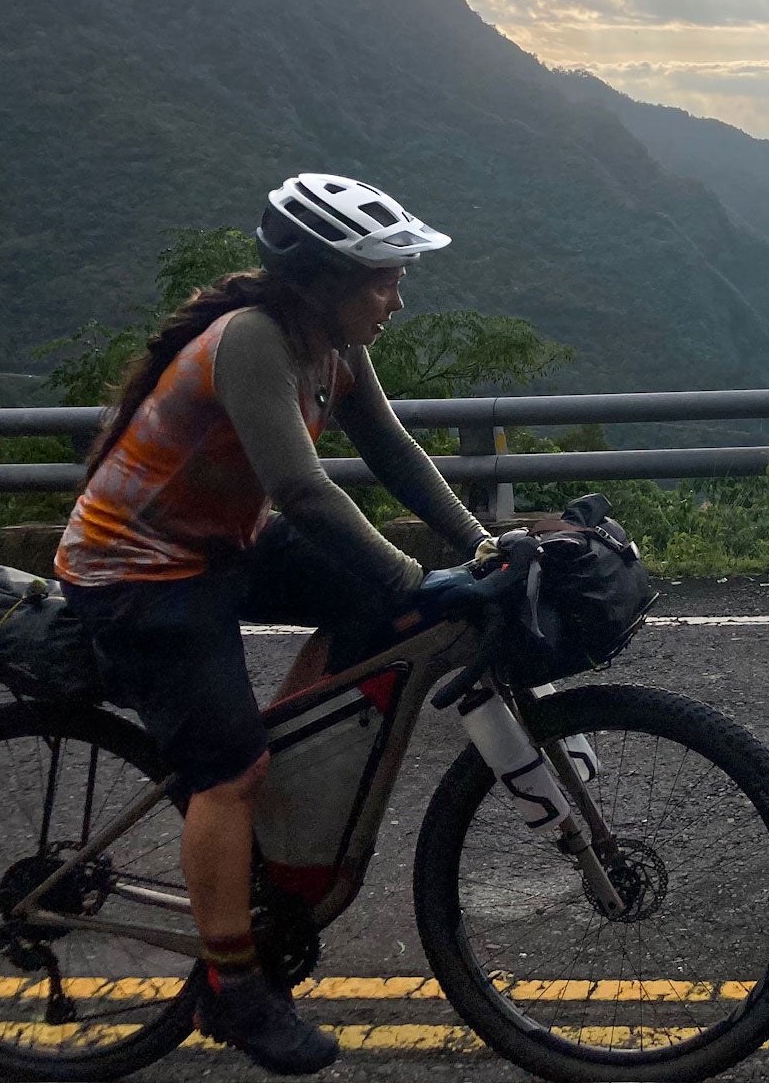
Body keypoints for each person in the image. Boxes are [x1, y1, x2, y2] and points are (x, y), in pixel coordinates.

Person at [56, 174, 491, 1075]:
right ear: (323, 279)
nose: (396, 298)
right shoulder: (254, 340)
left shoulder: (330, 341)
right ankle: (233, 987)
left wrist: (481, 545)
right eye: (382, 279)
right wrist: (419, 572)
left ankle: (283, 765)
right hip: (138, 573)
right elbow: (301, 489)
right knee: (228, 770)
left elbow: (392, 449)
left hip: (220, 546)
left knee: (380, 604)